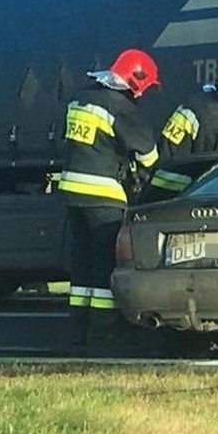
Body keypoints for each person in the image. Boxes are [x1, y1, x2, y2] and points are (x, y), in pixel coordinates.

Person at [59, 49, 160, 352]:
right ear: (136, 81)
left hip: (73, 195)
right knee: (104, 268)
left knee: (81, 270)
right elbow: (149, 156)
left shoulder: (81, 99)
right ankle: (104, 338)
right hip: (104, 197)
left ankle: (79, 336)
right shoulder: (121, 108)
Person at [146, 65, 218, 200]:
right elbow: (212, 169)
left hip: (159, 186)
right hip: (181, 191)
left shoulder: (200, 101)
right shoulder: (214, 119)